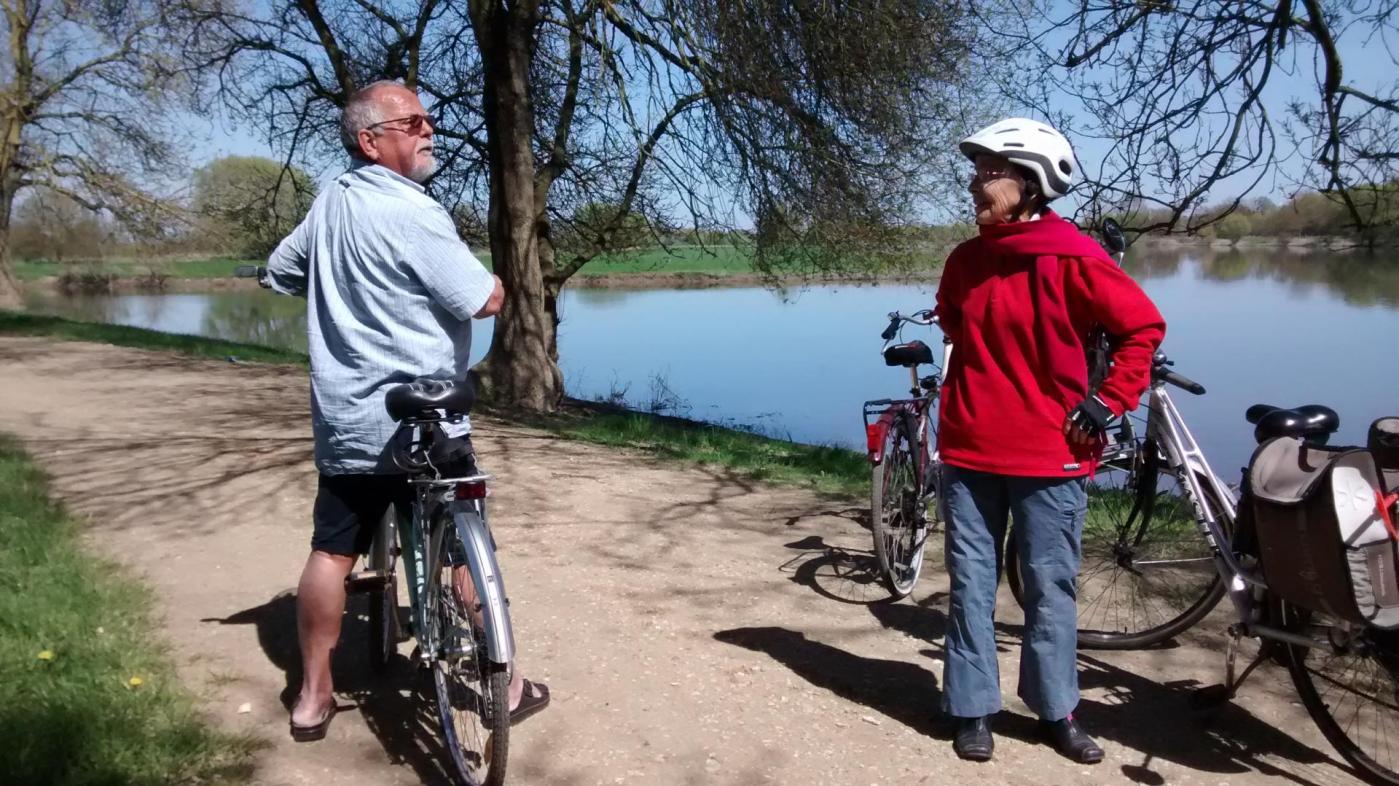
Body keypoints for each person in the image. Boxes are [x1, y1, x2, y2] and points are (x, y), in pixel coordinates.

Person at [264, 79, 549, 741]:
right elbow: (481, 299)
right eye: (413, 121)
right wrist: (497, 284)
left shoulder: (331, 200)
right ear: (371, 139)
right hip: (426, 420)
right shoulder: (413, 211)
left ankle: (311, 698)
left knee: (332, 550)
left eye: (429, 120)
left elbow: (279, 271)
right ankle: (505, 685)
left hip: (350, 420)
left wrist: (346, 291)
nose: (429, 131)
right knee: (460, 546)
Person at [933, 118, 1165, 763]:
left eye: (990, 172)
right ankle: (972, 707)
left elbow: (1142, 331)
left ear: (1032, 183)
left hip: (1051, 452)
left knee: (1049, 586)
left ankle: (1056, 710)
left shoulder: (1077, 257)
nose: (976, 183)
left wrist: (1108, 400)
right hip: (970, 449)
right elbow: (955, 323)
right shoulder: (965, 260)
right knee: (971, 583)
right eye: (976, 170)